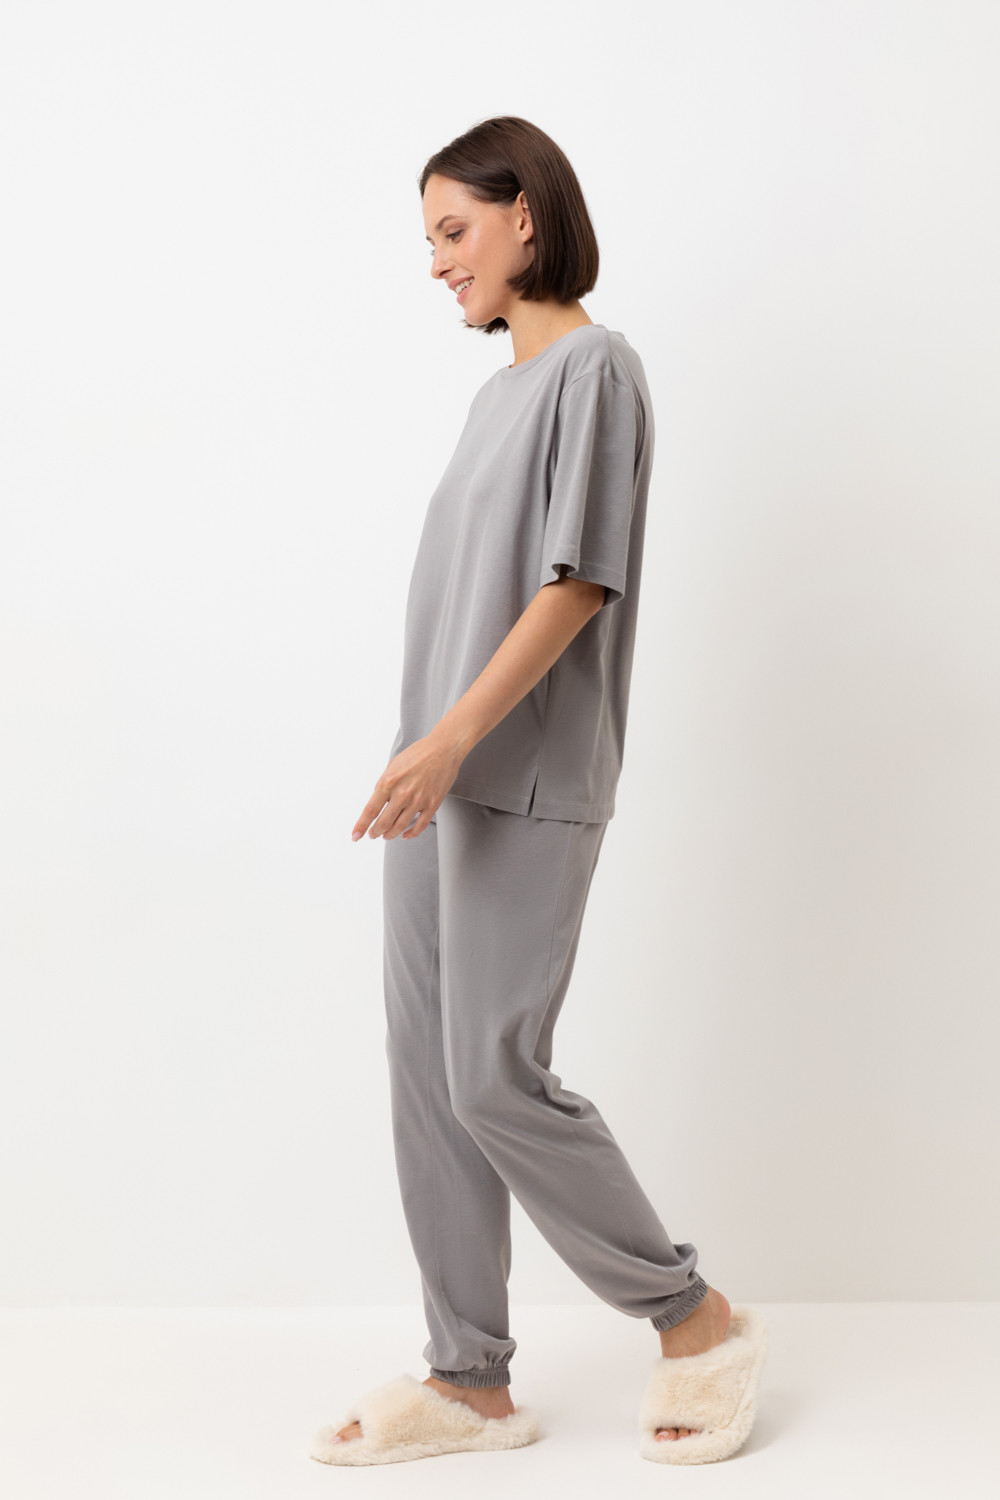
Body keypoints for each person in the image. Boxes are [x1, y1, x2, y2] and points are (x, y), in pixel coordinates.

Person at [313, 116, 765, 1468]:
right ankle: (468, 1379)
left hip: (515, 774)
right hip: (433, 779)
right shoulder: (491, 398)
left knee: (493, 1078)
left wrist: (454, 740)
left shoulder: (595, 369)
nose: (438, 262)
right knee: (427, 1080)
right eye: (429, 239)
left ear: (527, 215)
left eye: (454, 230)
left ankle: (695, 1320)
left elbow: (578, 585)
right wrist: (427, 750)